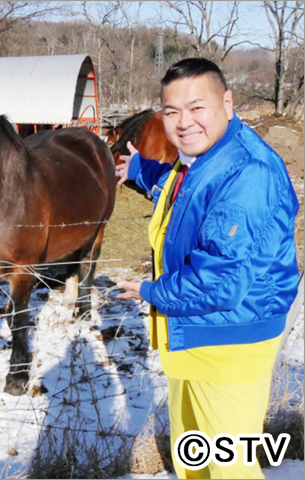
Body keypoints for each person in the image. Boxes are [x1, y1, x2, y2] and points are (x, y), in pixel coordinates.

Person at [115, 58, 299, 479]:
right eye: (171, 111)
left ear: (228, 103)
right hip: (197, 337)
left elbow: (222, 282)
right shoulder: (206, 155)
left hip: (228, 345)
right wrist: (143, 170)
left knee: (231, 470)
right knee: (196, 462)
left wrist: (150, 291)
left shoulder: (248, 172)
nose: (183, 122)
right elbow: (193, 192)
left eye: (197, 107)